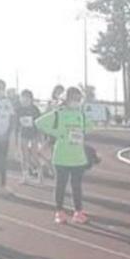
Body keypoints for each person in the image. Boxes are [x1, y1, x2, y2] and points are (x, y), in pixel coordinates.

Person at [35, 86, 90, 224]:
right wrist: (57, 133)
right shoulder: (58, 113)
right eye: (74, 99)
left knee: (77, 186)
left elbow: (89, 127)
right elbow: (39, 123)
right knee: (61, 185)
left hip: (78, 157)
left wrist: (80, 133)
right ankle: (59, 212)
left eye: (79, 99)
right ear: (66, 99)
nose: (76, 102)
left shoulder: (80, 114)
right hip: (61, 157)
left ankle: (78, 212)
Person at [15, 89, 42, 185]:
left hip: (33, 135)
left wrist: (39, 137)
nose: (24, 100)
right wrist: (16, 138)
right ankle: (25, 176)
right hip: (23, 135)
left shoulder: (35, 109)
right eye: (23, 97)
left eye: (27, 97)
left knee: (34, 156)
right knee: (24, 156)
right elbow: (16, 124)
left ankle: (40, 175)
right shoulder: (18, 109)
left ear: (31, 99)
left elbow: (39, 123)